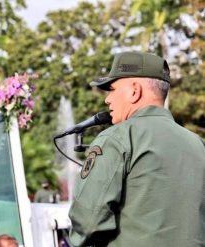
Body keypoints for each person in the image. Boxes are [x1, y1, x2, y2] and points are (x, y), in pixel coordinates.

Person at [68, 51, 205, 247]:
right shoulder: (198, 144)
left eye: (112, 89)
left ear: (134, 90)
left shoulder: (117, 138)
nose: (107, 99)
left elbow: (87, 223)